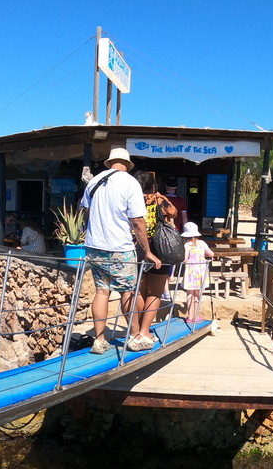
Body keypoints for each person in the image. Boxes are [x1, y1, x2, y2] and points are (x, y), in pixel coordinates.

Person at [80, 148, 161, 354]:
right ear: (127, 164)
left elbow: (86, 212)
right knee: (127, 291)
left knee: (101, 291)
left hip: (95, 245)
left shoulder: (94, 182)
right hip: (119, 247)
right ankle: (135, 336)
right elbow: (137, 221)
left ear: (109, 163)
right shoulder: (129, 183)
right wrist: (148, 251)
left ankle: (99, 341)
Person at [132, 171, 177, 350]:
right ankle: (145, 331)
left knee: (139, 291)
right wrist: (158, 196)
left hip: (137, 247)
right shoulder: (159, 200)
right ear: (153, 185)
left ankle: (136, 330)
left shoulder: (132, 200)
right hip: (159, 248)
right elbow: (172, 212)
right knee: (155, 293)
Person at [181, 221, 214, 323]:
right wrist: (202, 256)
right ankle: (196, 315)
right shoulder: (202, 243)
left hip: (190, 270)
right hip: (200, 270)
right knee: (197, 293)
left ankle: (189, 316)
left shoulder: (187, 245)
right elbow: (211, 254)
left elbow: (185, 259)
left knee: (189, 293)